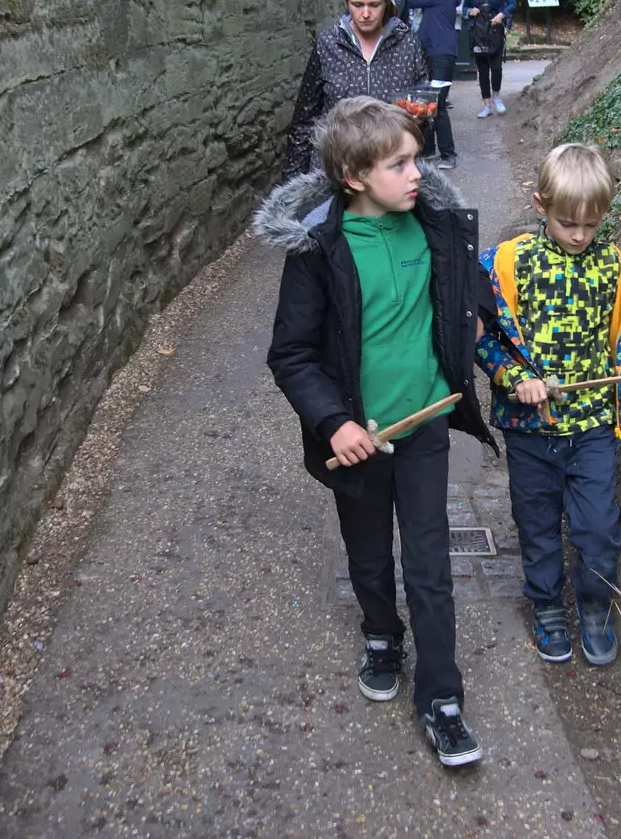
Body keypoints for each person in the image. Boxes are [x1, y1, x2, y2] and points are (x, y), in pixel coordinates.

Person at [257, 96, 496, 767]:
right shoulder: (318, 250)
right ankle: (381, 634)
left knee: (429, 564)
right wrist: (332, 423)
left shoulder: (436, 225)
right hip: (360, 437)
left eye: (416, 157)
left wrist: (474, 318)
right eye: (400, 164)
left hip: (424, 426)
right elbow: (292, 352)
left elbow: (470, 289)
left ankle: (442, 698)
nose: (417, 172)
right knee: (369, 556)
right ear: (356, 176)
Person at [476, 144, 621, 667]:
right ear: (542, 206)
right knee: (535, 522)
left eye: (592, 223)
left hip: (592, 427)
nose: (581, 235)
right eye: (567, 224)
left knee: (598, 525)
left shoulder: (619, 269)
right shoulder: (507, 265)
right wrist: (515, 378)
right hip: (529, 427)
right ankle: (547, 608)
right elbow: (482, 333)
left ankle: (594, 605)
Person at [284, 0, 429, 178]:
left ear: (386, 1)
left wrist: (421, 120)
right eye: (358, 5)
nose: (366, 13)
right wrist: (293, 189)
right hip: (336, 171)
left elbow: (425, 109)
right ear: (346, 2)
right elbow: (304, 121)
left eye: (374, 5)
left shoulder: (408, 45)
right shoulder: (328, 45)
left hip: (389, 172)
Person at [401, 0, 461, 169]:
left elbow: (407, 0)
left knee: (438, 104)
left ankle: (448, 154)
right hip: (437, 51)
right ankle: (429, 150)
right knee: (429, 103)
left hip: (440, 53)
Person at [465, 0, 517, 118]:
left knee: (496, 67)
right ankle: (486, 104)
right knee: (482, 69)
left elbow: (512, 3)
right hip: (478, 32)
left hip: (495, 30)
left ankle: (496, 97)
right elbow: (464, 7)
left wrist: (502, 15)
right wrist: (469, 11)